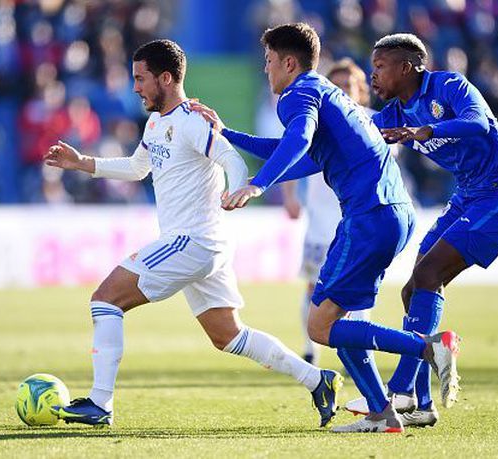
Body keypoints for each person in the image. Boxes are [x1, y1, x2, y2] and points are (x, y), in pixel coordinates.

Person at [43, 39, 345, 428]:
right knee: (228, 336)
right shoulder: (156, 122)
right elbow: (138, 168)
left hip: (193, 240)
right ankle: (319, 380)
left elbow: (231, 159)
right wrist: (84, 162)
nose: (135, 87)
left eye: (141, 78)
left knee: (105, 300)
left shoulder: (193, 120)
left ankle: (100, 404)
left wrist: (239, 189)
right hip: (202, 245)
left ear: (165, 78)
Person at [191, 23, 460, 434]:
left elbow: (296, 140)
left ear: (288, 62)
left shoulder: (296, 94)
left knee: (320, 326)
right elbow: (298, 153)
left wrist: (258, 184)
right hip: (391, 212)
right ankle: (381, 413)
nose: (266, 70)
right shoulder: (325, 94)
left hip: (369, 215)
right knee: (336, 317)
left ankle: (429, 348)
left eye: (267, 62)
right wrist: (226, 133)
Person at [344, 33, 498, 428]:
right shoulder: (396, 113)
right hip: (469, 195)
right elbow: (351, 136)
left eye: (380, 67)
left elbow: (480, 123)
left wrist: (426, 131)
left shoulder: (448, 85)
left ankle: (400, 390)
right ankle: (422, 404)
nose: (373, 75)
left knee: (429, 275)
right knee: (413, 289)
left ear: (407, 67)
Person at [280, 58, 373, 366]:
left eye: (349, 86)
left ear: (361, 91)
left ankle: (361, 354)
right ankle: (310, 348)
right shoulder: (314, 122)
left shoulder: (372, 123)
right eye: (338, 86)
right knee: (314, 288)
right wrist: (290, 195)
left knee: (360, 291)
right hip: (320, 225)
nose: (343, 91)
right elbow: (290, 157)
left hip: (359, 224)